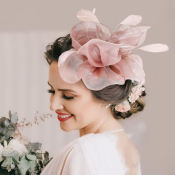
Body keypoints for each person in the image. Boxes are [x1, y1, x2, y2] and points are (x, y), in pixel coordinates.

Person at [41, 9, 168, 175]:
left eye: (68, 96)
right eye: (51, 90)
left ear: (104, 95)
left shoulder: (81, 152)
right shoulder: (125, 146)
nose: (53, 105)